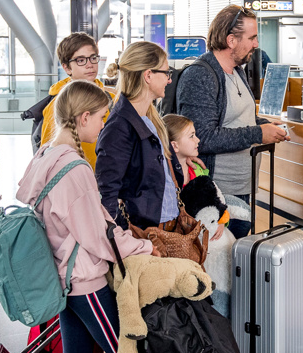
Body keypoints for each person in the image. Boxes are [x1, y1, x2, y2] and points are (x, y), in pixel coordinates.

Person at [14, 80, 159, 353]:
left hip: (59, 277)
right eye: (100, 117)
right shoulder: (74, 168)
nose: (103, 125)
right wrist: (142, 248)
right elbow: (98, 234)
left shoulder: (44, 155)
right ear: (82, 118)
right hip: (84, 281)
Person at [176, 5, 289, 237]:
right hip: (215, 197)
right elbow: (202, 137)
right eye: (252, 38)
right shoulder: (201, 76)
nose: (256, 45)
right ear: (231, 40)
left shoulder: (237, 71)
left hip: (242, 189)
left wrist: (263, 124)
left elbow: (238, 117)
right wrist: (258, 134)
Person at [96, 42, 183, 231]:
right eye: (166, 73)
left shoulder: (150, 117)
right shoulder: (119, 127)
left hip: (165, 226)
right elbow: (107, 191)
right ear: (148, 75)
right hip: (143, 233)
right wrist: (118, 239)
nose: (169, 80)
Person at [40, 32, 107, 167]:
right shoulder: (58, 106)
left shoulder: (110, 99)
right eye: (80, 60)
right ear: (66, 68)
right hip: (75, 177)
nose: (90, 65)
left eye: (93, 58)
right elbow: (48, 153)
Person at [163, 113, 207, 185]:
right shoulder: (165, 178)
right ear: (174, 146)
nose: (198, 140)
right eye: (191, 136)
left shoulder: (198, 170)